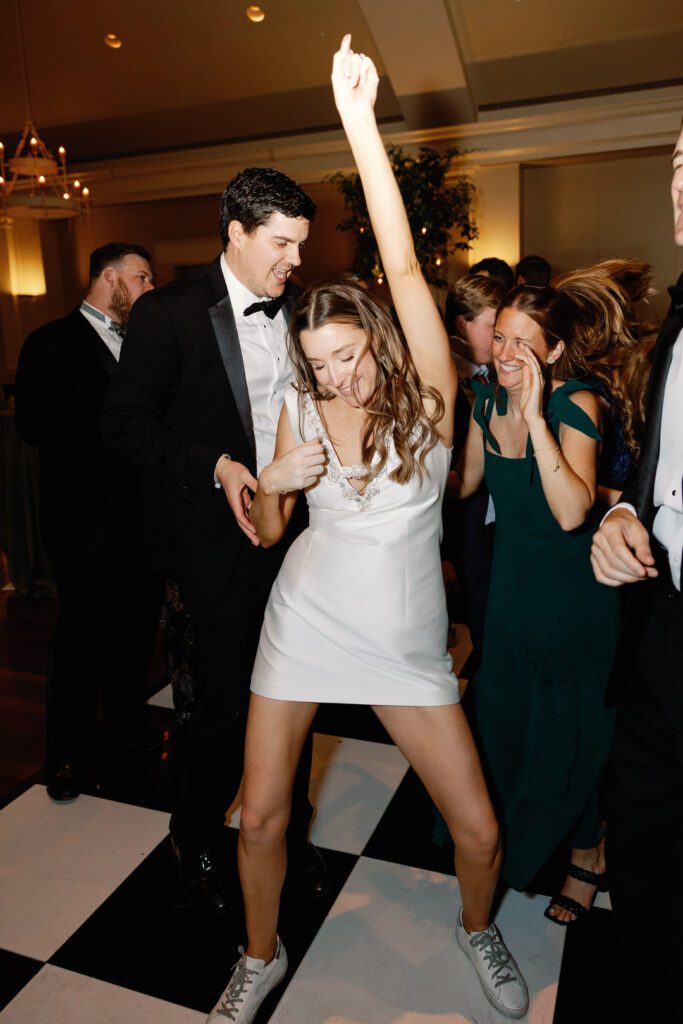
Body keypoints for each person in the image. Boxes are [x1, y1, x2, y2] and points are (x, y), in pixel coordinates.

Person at [207, 36, 529, 1024]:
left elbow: (395, 255)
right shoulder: (302, 405)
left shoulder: (428, 397)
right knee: (259, 814)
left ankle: (476, 928)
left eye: (346, 356)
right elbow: (267, 532)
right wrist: (272, 480)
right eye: (316, 363)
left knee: (475, 832)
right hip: (302, 619)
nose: (334, 377)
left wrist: (355, 118)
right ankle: (256, 957)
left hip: (400, 641)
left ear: (379, 344)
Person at [101, 169, 327, 915]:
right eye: (281, 242)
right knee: (228, 697)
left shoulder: (299, 310)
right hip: (214, 538)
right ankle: (195, 831)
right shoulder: (167, 313)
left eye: (300, 243)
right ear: (235, 230)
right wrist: (218, 466)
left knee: (294, 689)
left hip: (297, 530)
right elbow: (124, 424)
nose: (295, 259)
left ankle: (283, 833)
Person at [455, 265, 643, 925]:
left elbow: (569, 511)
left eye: (522, 342)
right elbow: (467, 485)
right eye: (498, 337)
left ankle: (588, 853)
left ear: (555, 350)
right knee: (509, 722)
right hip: (509, 594)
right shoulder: (481, 401)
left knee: (570, 730)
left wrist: (534, 417)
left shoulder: (575, 404)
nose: (504, 354)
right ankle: (523, 838)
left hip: (572, 598)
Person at [590, 122, 683, 1021]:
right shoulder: (676, 325)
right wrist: (623, 512)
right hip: (661, 628)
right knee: (647, 845)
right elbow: (662, 472)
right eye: (680, 164)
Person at [14, 242, 162, 802]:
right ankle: (65, 754)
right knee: (80, 638)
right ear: (110, 277)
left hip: (142, 520)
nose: (149, 289)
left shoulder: (149, 345)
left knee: (133, 633)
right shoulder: (50, 342)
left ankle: (125, 723)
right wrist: (120, 431)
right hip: (83, 522)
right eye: (142, 277)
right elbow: (37, 423)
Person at [443, 274, 505, 670]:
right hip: (462, 532)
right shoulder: (438, 379)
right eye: (495, 329)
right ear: (463, 323)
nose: (502, 341)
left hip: (501, 526)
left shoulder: (500, 371)